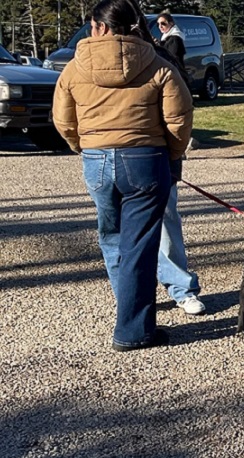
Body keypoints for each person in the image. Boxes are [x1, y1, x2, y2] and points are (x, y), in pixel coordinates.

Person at [52, 0, 193, 351]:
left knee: (112, 237)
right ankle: (132, 329)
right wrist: (171, 157)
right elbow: (179, 120)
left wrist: (82, 146)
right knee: (140, 245)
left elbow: (63, 119)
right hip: (146, 159)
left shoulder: (74, 68)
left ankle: (127, 311)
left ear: (98, 27)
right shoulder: (159, 66)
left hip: (97, 159)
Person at [155, 12, 205, 316]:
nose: (161, 28)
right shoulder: (86, 60)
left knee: (165, 221)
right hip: (108, 155)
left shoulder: (168, 49)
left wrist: (175, 154)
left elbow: (179, 114)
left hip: (155, 155)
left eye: (163, 24)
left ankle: (179, 287)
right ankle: (133, 293)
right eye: (157, 24)